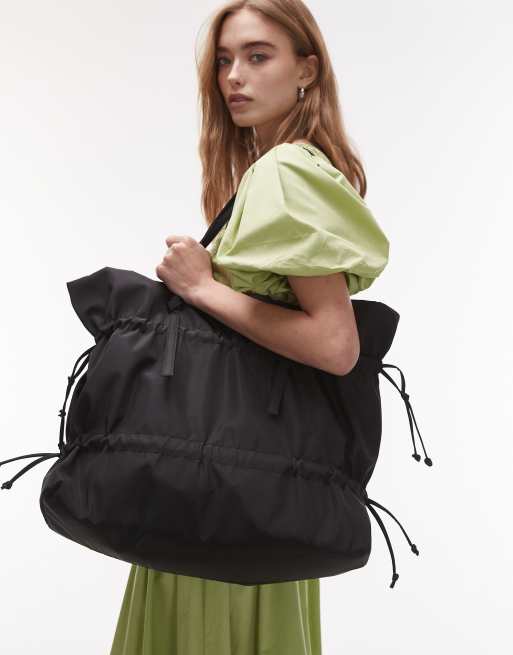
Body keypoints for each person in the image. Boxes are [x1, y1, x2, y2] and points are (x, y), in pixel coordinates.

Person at [109, 1, 389, 653]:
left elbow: (335, 343)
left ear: (307, 71)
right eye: (225, 60)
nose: (234, 76)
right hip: (247, 480)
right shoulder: (286, 169)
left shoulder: (282, 171)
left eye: (258, 56)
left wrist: (202, 288)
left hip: (223, 490)